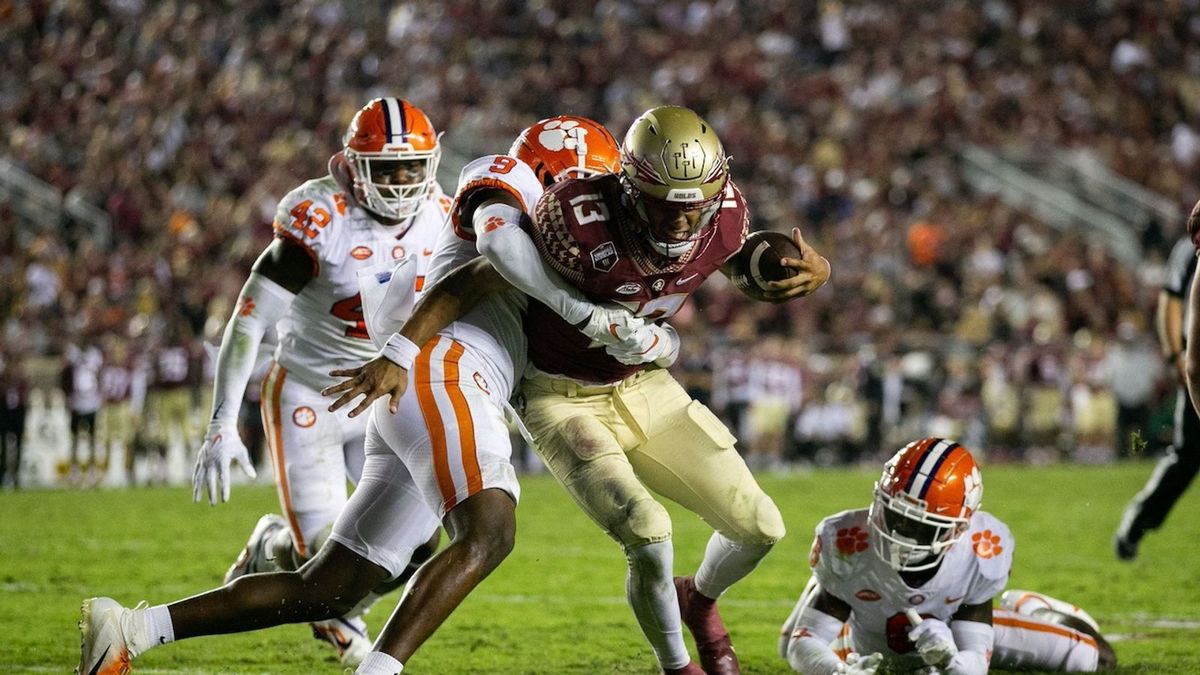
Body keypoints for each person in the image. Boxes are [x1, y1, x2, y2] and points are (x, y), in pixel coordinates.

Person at [75, 115, 650, 675]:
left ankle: (129, 629)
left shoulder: (471, 212)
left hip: (408, 384)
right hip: (421, 374)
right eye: (589, 186)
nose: (596, 204)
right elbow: (474, 278)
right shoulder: (501, 204)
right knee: (489, 532)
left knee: (329, 588)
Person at [333, 106, 829, 675]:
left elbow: (740, 261)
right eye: (665, 206)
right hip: (558, 396)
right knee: (650, 533)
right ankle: (677, 666)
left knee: (761, 527)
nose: (681, 223)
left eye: (694, 206)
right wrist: (588, 318)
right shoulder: (568, 222)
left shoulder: (723, 212)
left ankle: (699, 600)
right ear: (627, 186)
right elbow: (478, 272)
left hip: (645, 385)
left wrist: (804, 272)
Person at [780, 437, 1117, 674]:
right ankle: (822, 584)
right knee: (788, 643)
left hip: (954, 628)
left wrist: (950, 661)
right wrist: (838, 672)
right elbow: (803, 644)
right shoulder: (847, 540)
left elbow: (974, 662)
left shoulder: (981, 550)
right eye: (894, 515)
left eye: (919, 526)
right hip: (864, 640)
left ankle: (1033, 607)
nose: (899, 535)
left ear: (958, 529)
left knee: (1094, 656)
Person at [1115, 224, 1200, 561]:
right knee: (1188, 456)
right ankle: (1139, 520)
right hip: (1198, 358)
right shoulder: (1189, 249)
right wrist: (1174, 355)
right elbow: (1171, 299)